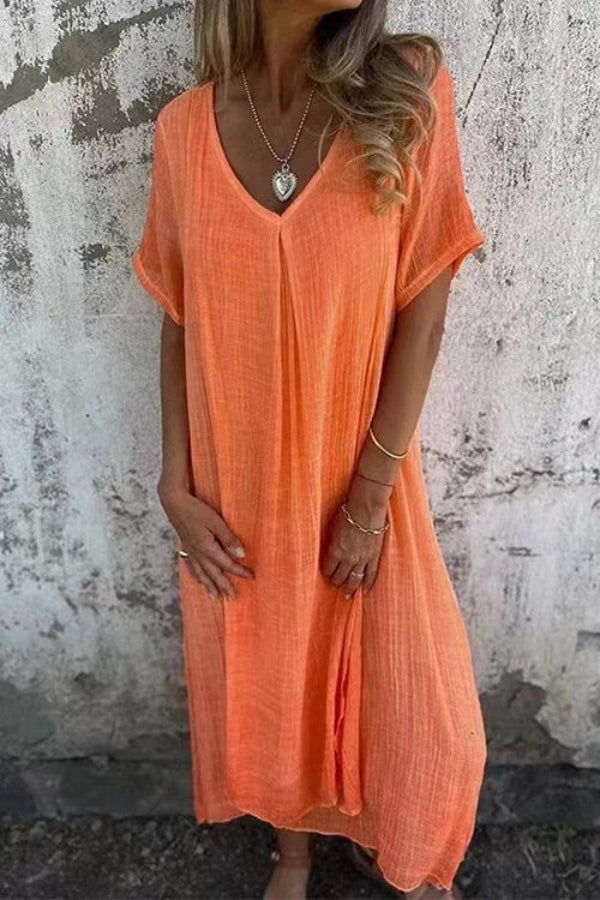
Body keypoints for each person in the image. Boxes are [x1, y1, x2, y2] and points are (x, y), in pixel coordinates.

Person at [131, 1, 487, 897]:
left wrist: (369, 497)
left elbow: (425, 312)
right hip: (237, 480)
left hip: (362, 477)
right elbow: (178, 318)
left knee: (426, 709)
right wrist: (174, 482)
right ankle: (291, 855)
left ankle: (395, 837)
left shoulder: (407, 90)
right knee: (273, 681)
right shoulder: (184, 131)